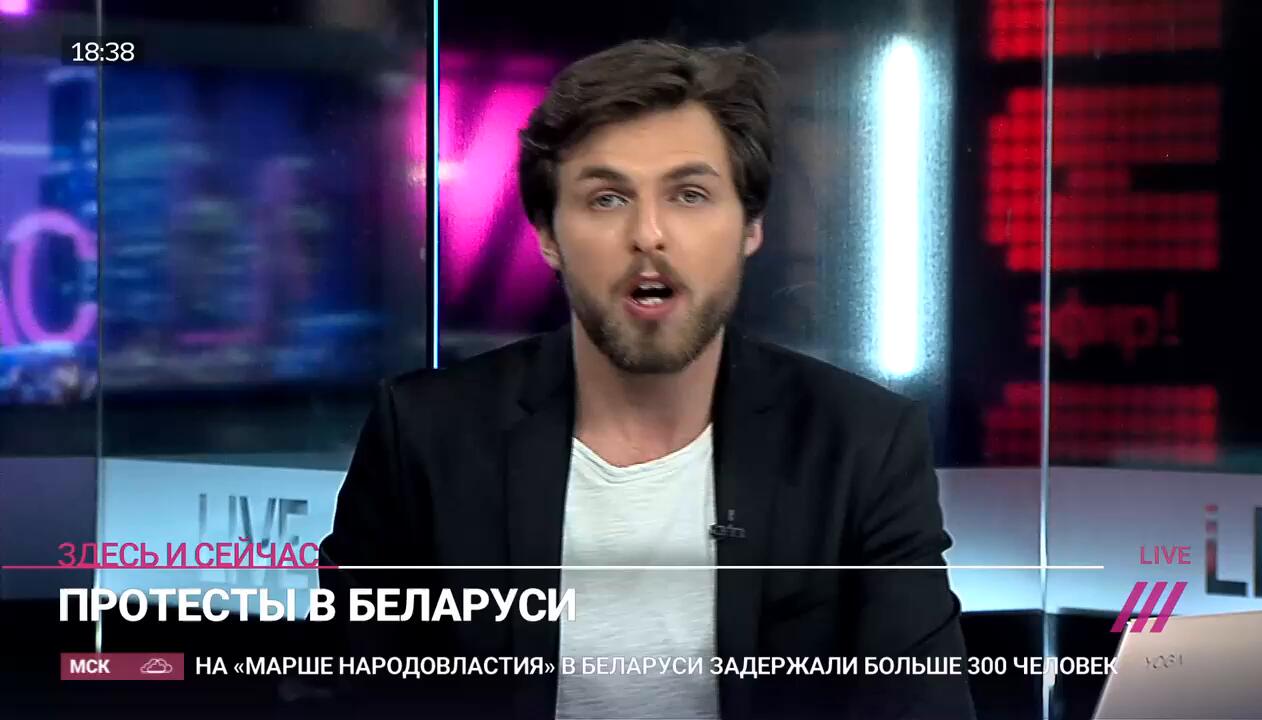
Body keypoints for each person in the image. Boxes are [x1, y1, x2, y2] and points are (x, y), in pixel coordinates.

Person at [319, 39, 975, 720]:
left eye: (690, 195)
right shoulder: (425, 439)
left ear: (750, 227)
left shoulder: (861, 446)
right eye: (607, 198)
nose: (649, 235)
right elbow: (345, 696)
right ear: (548, 235)